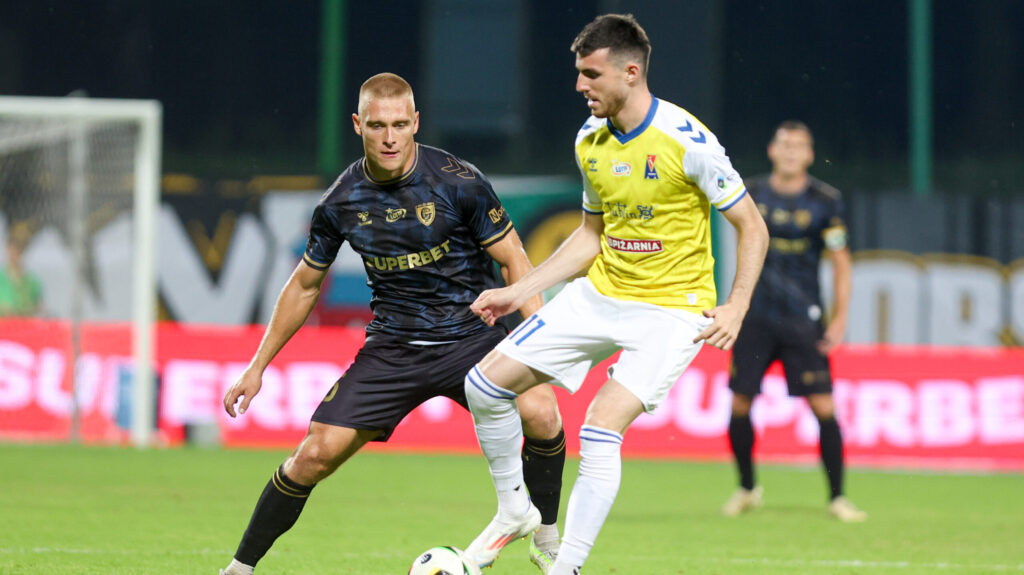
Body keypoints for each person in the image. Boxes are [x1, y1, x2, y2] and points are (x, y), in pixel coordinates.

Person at [218, 73, 566, 575]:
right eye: (377, 125)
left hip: (471, 338)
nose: (389, 137)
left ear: (415, 123)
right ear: (358, 124)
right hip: (393, 349)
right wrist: (257, 366)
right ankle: (239, 568)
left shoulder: (458, 181)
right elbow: (304, 285)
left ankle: (547, 537)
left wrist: (537, 342)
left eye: (400, 125)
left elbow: (514, 262)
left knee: (543, 411)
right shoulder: (341, 201)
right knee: (314, 455)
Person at [461, 14, 769, 574]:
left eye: (591, 74)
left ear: (630, 71)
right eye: (579, 74)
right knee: (482, 385)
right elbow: (589, 236)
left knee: (600, 428)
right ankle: (514, 512)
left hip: (672, 313)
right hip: (599, 296)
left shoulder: (686, 140)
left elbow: (753, 225)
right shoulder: (589, 141)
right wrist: (519, 292)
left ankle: (566, 567)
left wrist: (737, 304)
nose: (580, 86)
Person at [720, 120, 866, 522]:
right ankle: (747, 488)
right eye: (784, 143)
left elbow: (840, 262)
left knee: (824, 407)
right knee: (738, 402)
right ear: (772, 149)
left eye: (798, 145)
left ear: (809, 155)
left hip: (804, 319)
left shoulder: (825, 201)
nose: (790, 151)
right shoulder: (750, 192)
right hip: (756, 317)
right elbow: (740, 246)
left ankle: (837, 497)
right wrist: (736, 302)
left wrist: (840, 319)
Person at [0, 224, 42, 317]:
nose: (15, 253)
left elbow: (38, 308)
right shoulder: (1, 278)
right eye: (12, 248)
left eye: (19, 248)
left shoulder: (32, 281)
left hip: (23, 327)